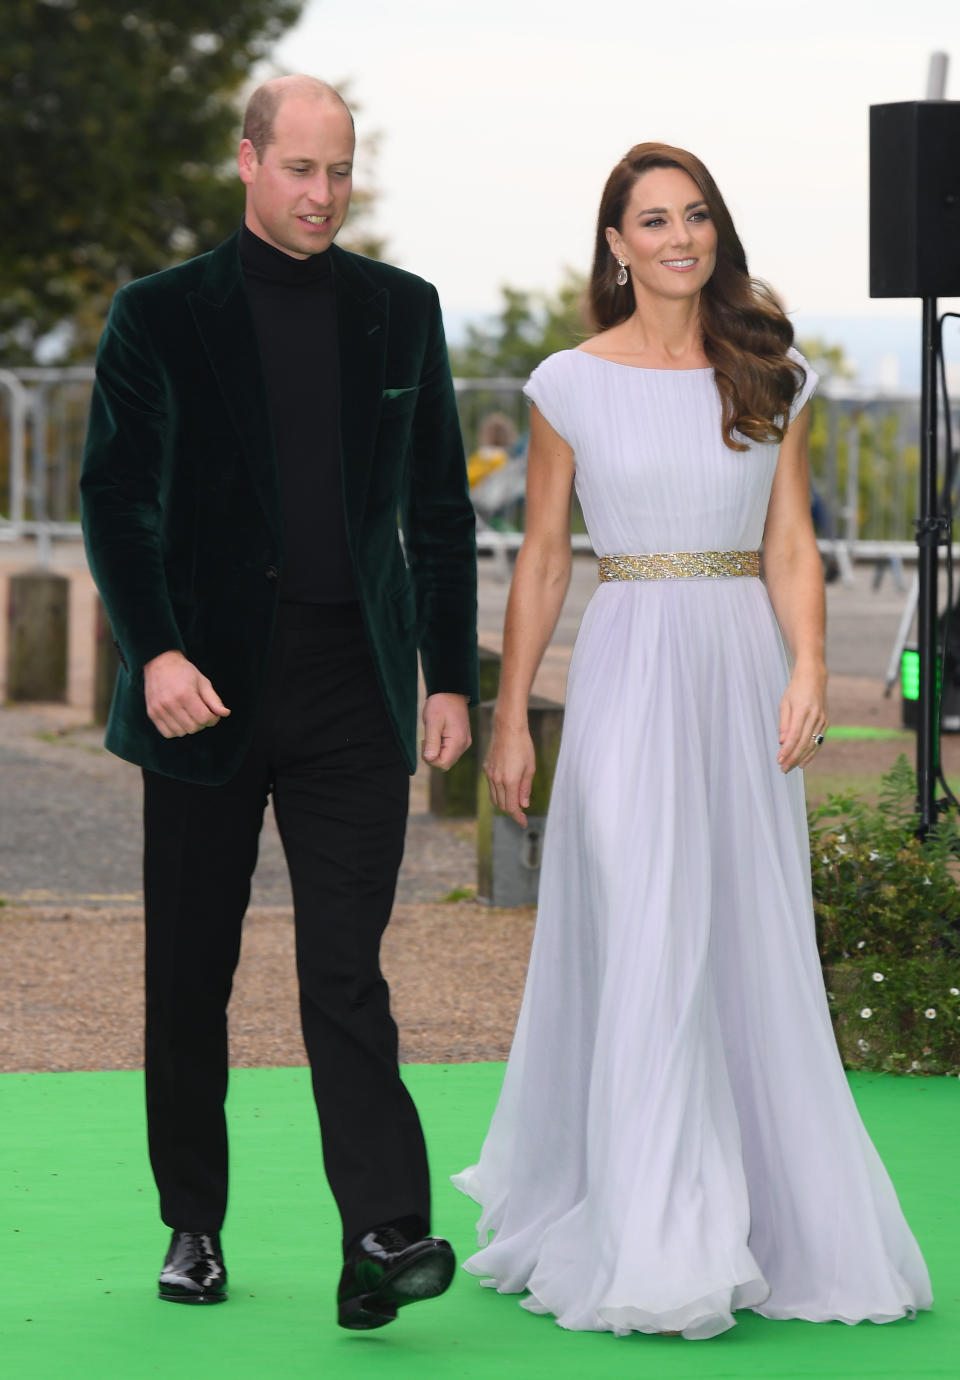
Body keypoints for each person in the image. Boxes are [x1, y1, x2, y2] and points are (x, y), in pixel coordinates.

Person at [453, 143, 932, 1340]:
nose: (680, 236)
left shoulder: (773, 371)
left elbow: (788, 544)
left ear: (717, 231)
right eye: (653, 219)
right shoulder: (567, 381)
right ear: (614, 243)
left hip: (740, 668)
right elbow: (547, 558)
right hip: (626, 667)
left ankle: (750, 1221)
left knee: (738, 936)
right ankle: (654, 1231)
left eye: (697, 215)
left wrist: (813, 664)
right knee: (648, 923)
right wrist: (512, 715)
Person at [81, 75, 478, 1329]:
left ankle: (382, 1233)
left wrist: (451, 675)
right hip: (200, 689)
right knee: (191, 969)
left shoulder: (402, 314)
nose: (322, 195)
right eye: (301, 169)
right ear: (246, 162)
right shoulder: (158, 315)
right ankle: (192, 1223)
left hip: (352, 687)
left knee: (345, 969)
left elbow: (438, 513)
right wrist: (153, 652)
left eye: (341, 171)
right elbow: (116, 499)